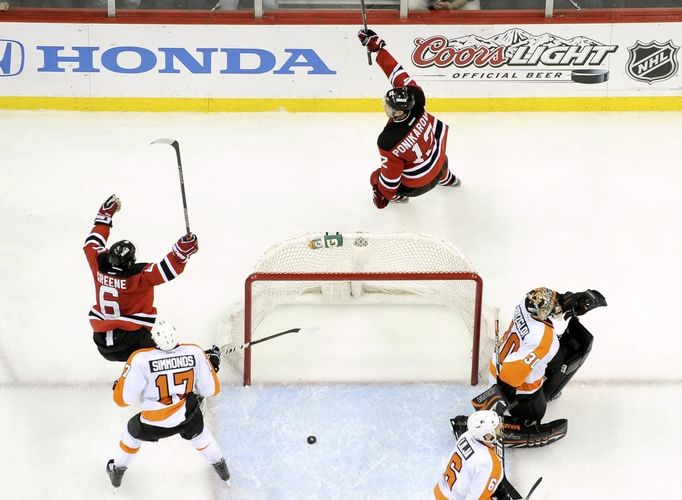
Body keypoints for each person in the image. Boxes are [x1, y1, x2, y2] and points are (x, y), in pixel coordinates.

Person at [453, 287, 607, 448]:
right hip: (513, 383)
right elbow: (511, 373)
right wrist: (503, 403)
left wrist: (569, 299)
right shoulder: (544, 339)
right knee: (537, 413)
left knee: (557, 356)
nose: (556, 306)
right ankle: (522, 415)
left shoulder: (524, 303)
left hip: (497, 365)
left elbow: (548, 296)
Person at [106, 319, 228, 488]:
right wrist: (211, 363)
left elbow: (124, 400)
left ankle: (117, 470)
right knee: (201, 435)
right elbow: (210, 390)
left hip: (154, 423)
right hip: (187, 417)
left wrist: (119, 385)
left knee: (131, 433)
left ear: (154, 339)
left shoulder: (140, 359)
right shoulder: (195, 352)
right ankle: (222, 468)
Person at [83, 194, 199, 362]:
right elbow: (166, 269)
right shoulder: (139, 276)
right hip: (133, 342)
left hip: (101, 340)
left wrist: (104, 217)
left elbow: (91, 244)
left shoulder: (98, 262)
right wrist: (181, 252)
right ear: (131, 262)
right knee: (164, 354)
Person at [357, 29, 461, 209]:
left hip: (416, 187)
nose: (387, 108)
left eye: (390, 107)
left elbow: (390, 178)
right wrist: (379, 50)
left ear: (398, 112)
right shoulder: (416, 100)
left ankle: (400, 199)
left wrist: (383, 195)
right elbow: (397, 74)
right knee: (437, 160)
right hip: (439, 161)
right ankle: (450, 180)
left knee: (375, 178)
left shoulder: (389, 140)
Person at [435, 410, 522, 500]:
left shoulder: (466, 435)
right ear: (487, 436)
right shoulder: (489, 463)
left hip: (441, 490)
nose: (502, 426)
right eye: (496, 427)